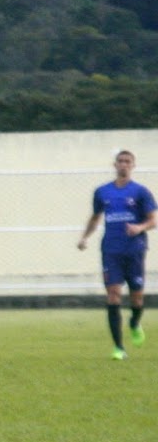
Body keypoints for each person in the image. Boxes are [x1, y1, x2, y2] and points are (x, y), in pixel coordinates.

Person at [77, 150, 156, 359]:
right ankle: (119, 348)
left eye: (127, 161)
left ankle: (134, 322)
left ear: (133, 166)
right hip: (111, 251)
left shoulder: (141, 192)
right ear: (115, 164)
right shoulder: (103, 192)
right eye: (120, 161)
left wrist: (139, 228)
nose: (123, 165)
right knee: (113, 295)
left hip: (134, 251)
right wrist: (85, 237)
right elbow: (95, 217)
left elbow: (153, 220)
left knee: (136, 298)